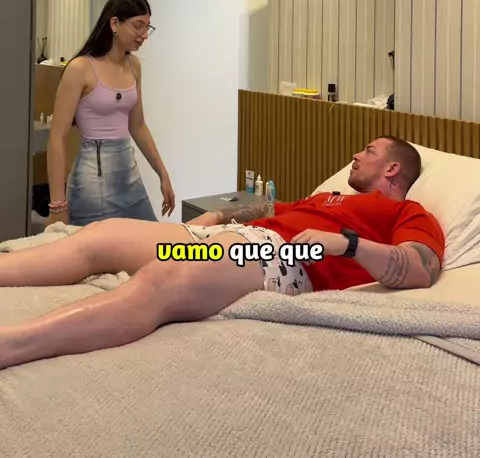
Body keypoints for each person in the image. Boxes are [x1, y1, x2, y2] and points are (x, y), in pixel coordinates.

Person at [0, 136, 444, 371]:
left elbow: (421, 268)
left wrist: (348, 244)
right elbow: (270, 208)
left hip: (282, 257)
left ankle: (13, 343)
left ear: (392, 167)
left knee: (164, 275)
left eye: (369, 150)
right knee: (102, 236)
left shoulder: (408, 212)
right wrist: (215, 218)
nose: (356, 154)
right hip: (235, 237)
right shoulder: (328, 197)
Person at [46, 0, 175, 227]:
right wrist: (58, 205)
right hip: (93, 183)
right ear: (115, 24)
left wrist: (162, 173)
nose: (144, 35)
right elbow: (57, 138)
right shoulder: (80, 68)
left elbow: (138, 126)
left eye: (147, 27)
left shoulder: (134, 66)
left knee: (151, 241)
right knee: (101, 249)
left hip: (129, 177)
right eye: (138, 26)